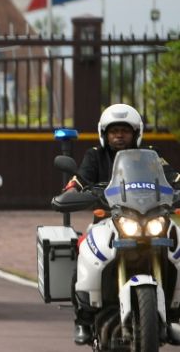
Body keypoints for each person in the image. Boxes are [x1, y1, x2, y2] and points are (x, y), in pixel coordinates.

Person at [63, 103, 178, 345]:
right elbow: (80, 179)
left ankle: (174, 310)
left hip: (150, 218)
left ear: (136, 133)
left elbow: (172, 177)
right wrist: (72, 190)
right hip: (108, 219)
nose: (119, 135)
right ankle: (83, 318)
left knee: (176, 242)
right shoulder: (94, 156)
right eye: (114, 130)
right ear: (104, 134)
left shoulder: (152, 157)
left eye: (125, 130)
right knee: (85, 247)